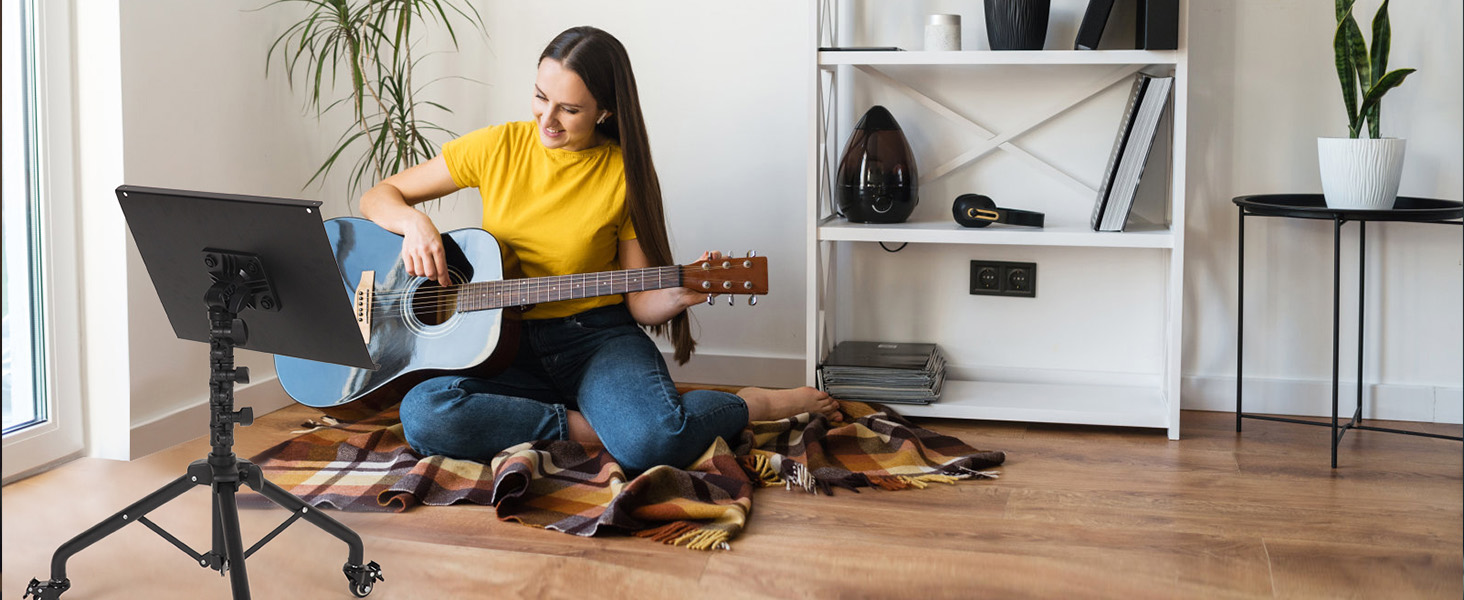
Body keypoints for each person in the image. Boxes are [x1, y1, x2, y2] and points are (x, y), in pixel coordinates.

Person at [359, 26, 840, 474]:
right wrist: (414, 222)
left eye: (568, 109)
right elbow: (378, 196)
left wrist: (680, 291)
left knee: (656, 442)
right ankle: (595, 426)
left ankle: (752, 404)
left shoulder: (622, 173)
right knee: (422, 413)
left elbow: (639, 302)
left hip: (595, 341)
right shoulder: (496, 147)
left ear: (604, 111)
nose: (547, 119)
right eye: (540, 97)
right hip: (503, 346)